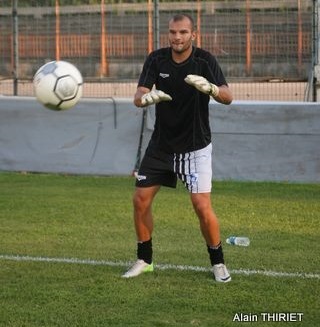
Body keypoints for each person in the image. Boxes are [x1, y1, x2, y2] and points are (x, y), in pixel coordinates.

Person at [122, 13, 233, 282]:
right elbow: (138, 96)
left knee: (201, 206)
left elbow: (228, 96)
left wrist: (211, 89)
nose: (177, 37)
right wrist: (147, 98)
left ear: (193, 34)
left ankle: (218, 263)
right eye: (173, 32)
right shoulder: (156, 58)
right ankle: (144, 259)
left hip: (195, 148)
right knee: (140, 200)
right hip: (161, 146)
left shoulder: (204, 60)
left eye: (183, 32)